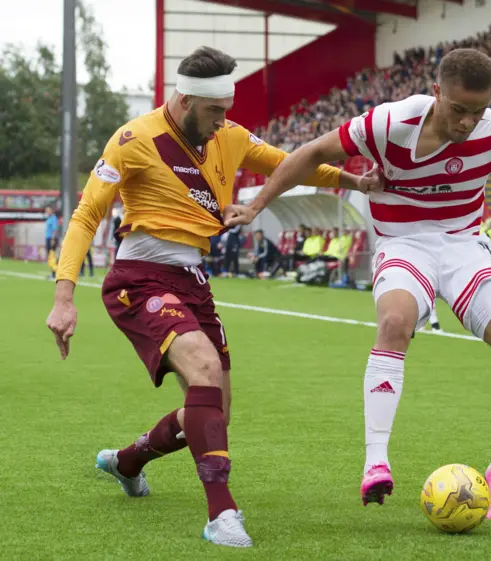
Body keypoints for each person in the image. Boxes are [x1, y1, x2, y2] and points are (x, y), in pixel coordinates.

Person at [223, 48, 491, 521]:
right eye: (458, 110)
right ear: (436, 93)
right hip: (402, 243)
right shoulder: (389, 124)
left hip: (462, 246)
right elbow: (311, 153)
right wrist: (256, 206)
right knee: (395, 320)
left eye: (477, 111)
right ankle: (376, 461)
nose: (468, 122)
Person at [45, 46, 381, 548]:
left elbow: (291, 164)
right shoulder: (133, 140)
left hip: (192, 280)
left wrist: (351, 179)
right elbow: (86, 215)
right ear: (184, 100)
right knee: (202, 368)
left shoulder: (229, 135)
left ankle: (127, 461)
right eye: (215, 110)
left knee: (211, 414)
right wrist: (64, 296)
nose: (225, 120)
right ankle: (221, 514)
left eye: (227, 108)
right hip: (139, 278)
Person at [44, 206, 59, 279]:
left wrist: (52, 239)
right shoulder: (49, 218)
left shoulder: (53, 218)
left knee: (52, 256)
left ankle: (54, 273)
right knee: (50, 257)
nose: (47, 212)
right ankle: (53, 273)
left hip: (51, 239)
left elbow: (54, 229)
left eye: (48, 210)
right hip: (48, 238)